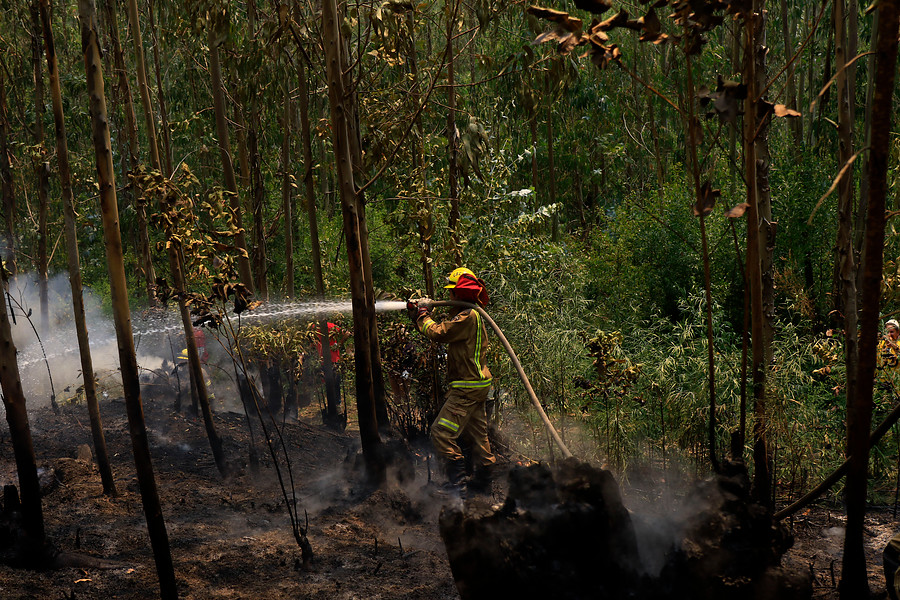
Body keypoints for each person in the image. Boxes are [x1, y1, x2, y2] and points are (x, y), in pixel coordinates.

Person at [409, 267, 496, 498]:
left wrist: (423, 314)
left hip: (467, 387)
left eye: (451, 292)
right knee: (478, 436)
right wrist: (419, 314)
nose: (448, 296)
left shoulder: (468, 316)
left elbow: (439, 333)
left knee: (441, 433)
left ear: (459, 294)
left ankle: (458, 487)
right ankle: (484, 485)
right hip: (477, 385)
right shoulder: (469, 315)